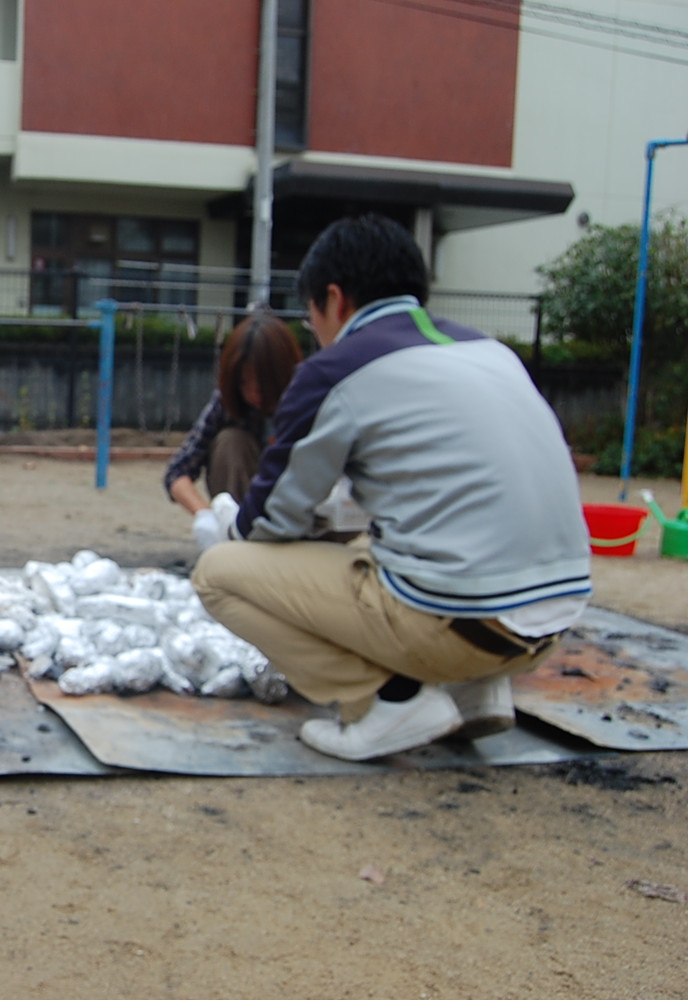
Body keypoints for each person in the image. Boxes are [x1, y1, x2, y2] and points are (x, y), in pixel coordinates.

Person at [191, 214, 591, 762]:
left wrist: (220, 519)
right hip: (552, 621)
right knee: (377, 549)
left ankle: (385, 702)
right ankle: (475, 693)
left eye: (312, 319)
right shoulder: (489, 350)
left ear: (333, 299)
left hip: (458, 625)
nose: (317, 334)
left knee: (219, 575)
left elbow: (266, 524)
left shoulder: (337, 369)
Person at [162, 312, 302, 551]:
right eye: (244, 384)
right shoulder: (229, 402)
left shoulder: (308, 396)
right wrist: (204, 514)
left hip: (300, 507)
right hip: (247, 509)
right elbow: (177, 472)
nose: (253, 394)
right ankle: (239, 540)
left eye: (262, 384)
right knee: (230, 441)